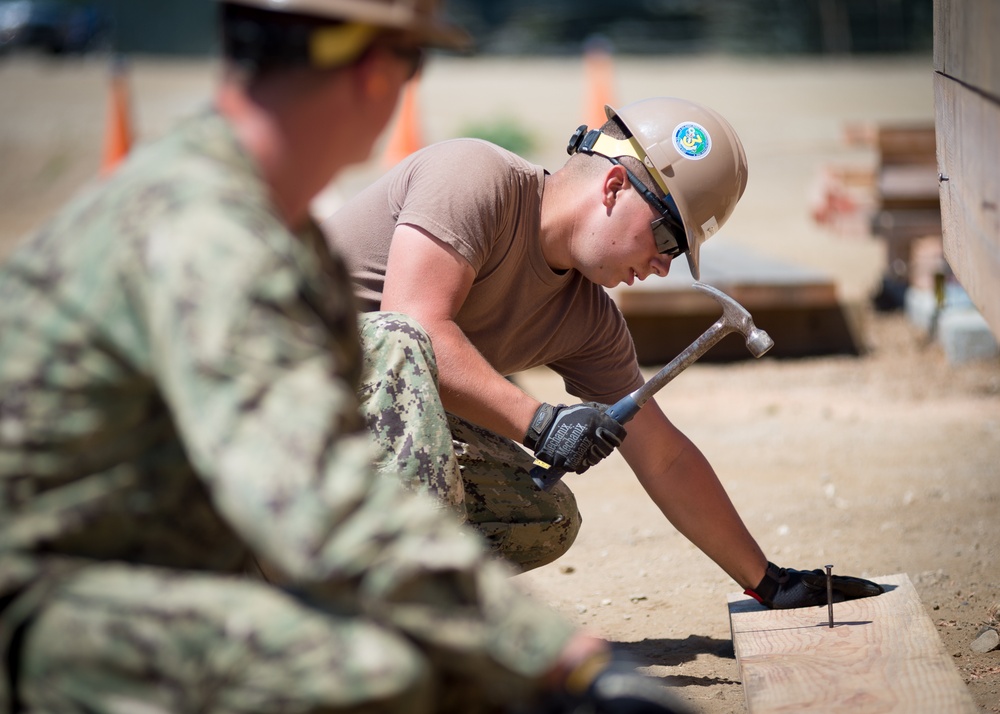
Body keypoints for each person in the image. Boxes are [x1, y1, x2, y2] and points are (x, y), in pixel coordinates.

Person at [0, 2, 695, 712]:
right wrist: (563, 663)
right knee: (386, 669)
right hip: (42, 600)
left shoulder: (248, 213)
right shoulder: (208, 230)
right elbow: (320, 496)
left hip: (133, 562)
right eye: (413, 64)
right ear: (374, 72)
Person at [322, 96, 885, 607]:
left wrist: (768, 580)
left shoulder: (587, 321)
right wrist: (540, 423)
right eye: (667, 238)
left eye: (680, 254)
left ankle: (337, 585)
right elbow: (412, 326)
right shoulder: (474, 178)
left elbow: (663, 456)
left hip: (350, 434)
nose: (665, 265)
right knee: (400, 343)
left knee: (540, 514)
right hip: (272, 397)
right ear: (615, 186)